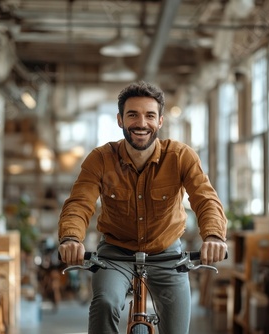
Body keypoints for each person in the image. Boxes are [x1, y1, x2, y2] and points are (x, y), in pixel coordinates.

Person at [58, 81, 228, 334]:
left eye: (149, 115)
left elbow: (205, 199)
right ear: (120, 120)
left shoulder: (181, 156)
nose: (141, 123)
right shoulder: (101, 158)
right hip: (115, 255)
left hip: (168, 255)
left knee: (177, 328)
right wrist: (71, 238)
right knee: (105, 302)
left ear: (160, 121)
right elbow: (79, 202)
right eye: (132, 115)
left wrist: (214, 236)